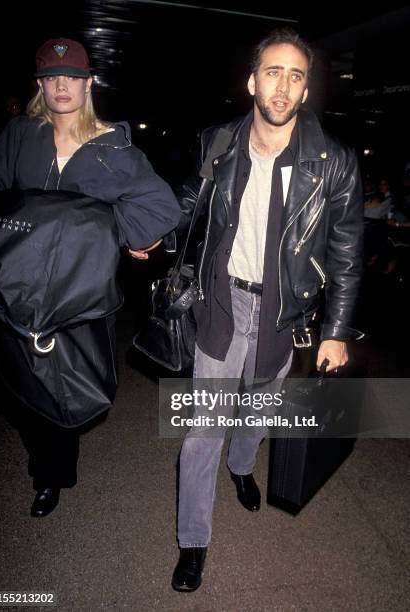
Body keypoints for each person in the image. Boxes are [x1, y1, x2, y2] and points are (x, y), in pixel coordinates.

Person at [171, 28, 364, 592]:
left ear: (305, 92)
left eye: (295, 76)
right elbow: (189, 202)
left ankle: (242, 466)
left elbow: (348, 255)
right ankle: (192, 542)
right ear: (252, 80)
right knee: (203, 428)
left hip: (285, 315)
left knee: (255, 412)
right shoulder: (218, 142)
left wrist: (336, 330)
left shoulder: (334, 163)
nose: (282, 87)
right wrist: (149, 230)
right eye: (273, 72)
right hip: (221, 302)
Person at [0, 37, 180, 517]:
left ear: (87, 84)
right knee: (21, 391)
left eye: (72, 77)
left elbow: (160, 207)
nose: (62, 86)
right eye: (52, 77)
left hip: (79, 295)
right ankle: (46, 463)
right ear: (40, 85)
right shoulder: (19, 135)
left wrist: (115, 237)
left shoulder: (111, 146)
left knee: (69, 392)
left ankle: (53, 468)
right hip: (17, 292)